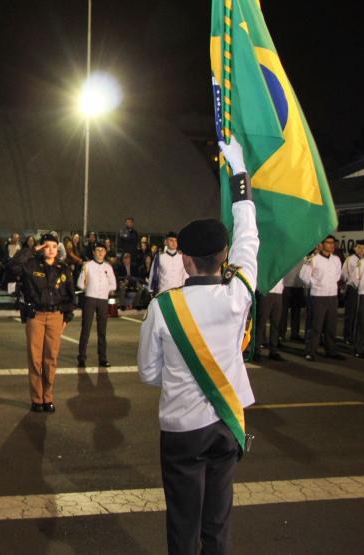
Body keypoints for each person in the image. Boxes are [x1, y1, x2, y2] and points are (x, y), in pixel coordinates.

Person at [137, 137, 256, 554]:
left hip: (182, 431)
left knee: (183, 525)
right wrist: (239, 174)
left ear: (185, 259)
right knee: (217, 522)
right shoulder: (238, 293)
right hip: (227, 425)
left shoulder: (163, 307)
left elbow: (148, 374)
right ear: (224, 256)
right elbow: (250, 237)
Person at [7, 233, 75, 412]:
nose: (50, 249)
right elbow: (13, 266)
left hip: (56, 316)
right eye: (46, 246)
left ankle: (48, 397)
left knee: (50, 359)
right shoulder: (31, 265)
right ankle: (37, 399)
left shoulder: (63, 268)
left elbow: (70, 295)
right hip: (35, 315)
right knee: (35, 359)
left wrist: (66, 317)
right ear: (41, 248)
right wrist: (32, 250)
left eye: (54, 246)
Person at [299, 235, 344, 361]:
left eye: (333, 243)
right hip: (318, 295)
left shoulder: (336, 259)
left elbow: (337, 275)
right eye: (328, 242)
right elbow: (303, 276)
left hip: (332, 296)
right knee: (316, 326)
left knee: (331, 326)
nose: (331, 245)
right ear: (321, 244)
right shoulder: (313, 259)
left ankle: (331, 350)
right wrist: (315, 283)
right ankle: (310, 351)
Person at [77, 243, 116, 367]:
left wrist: (105, 289)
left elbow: (113, 284)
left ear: (105, 252)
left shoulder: (108, 267)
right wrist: (89, 287)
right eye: (97, 250)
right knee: (86, 329)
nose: (100, 252)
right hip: (90, 298)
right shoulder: (87, 265)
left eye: (102, 250)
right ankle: (82, 357)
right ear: (93, 252)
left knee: (102, 330)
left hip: (103, 300)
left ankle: (103, 358)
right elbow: (80, 283)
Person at [341, 242, 364, 343]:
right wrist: (350, 282)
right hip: (352, 289)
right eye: (359, 247)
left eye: (363, 248)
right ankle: (348, 336)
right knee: (350, 314)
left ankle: (359, 336)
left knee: (362, 314)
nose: (361, 250)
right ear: (355, 248)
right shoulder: (350, 259)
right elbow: (343, 274)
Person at [255, 279, 285, 361]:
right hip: (265, 291)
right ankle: (256, 351)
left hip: (278, 292)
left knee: (276, 323)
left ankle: (273, 350)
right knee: (261, 323)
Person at [280, 260, 306, 341]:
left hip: (298, 287)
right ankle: (281, 334)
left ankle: (295, 333)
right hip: (286, 286)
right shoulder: (286, 258)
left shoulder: (303, 259)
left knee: (296, 311)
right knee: (283, 312)